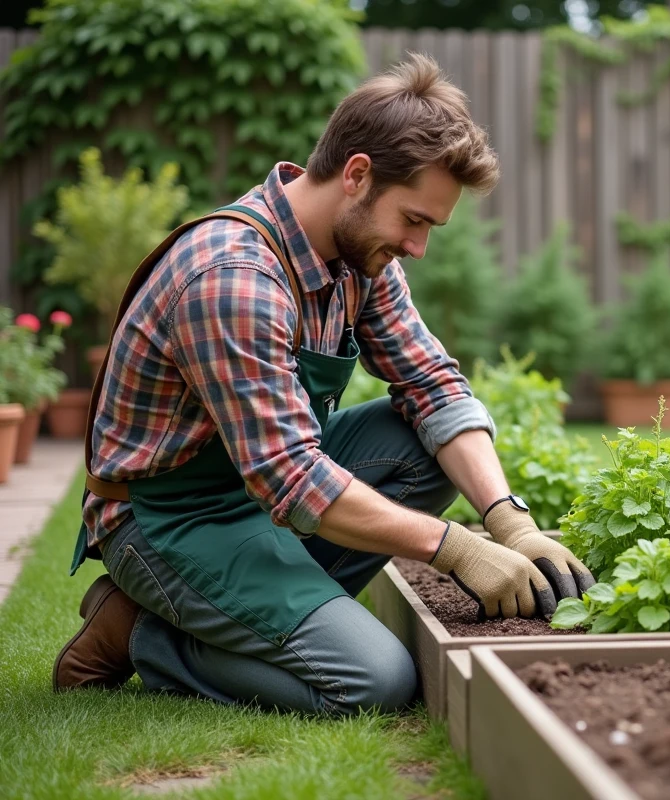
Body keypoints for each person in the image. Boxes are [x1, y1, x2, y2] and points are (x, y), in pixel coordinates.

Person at [51, 53, 594, 716]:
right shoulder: (233, 277)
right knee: (375, 680)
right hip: (170, 517)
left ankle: (269, 611)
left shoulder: (360, 257)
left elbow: (433, 382)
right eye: (415, 220)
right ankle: (140, 632)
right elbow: (289, 477)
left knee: (422, 443)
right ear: (358, 175)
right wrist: (451, 548)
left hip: (258, 494)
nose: (418, 247)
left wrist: (508, 521)